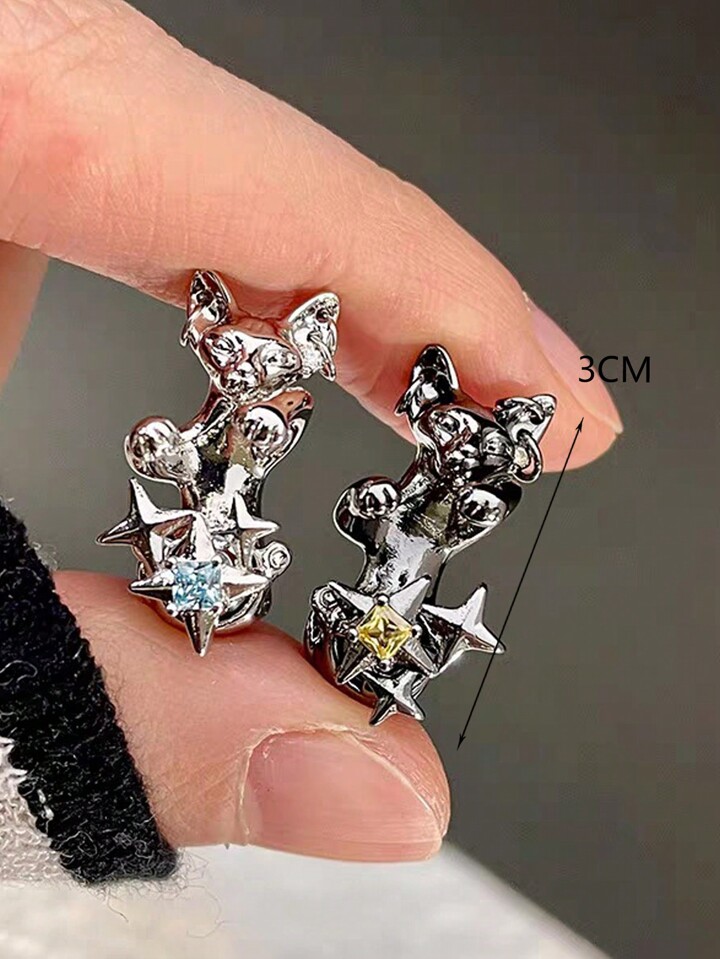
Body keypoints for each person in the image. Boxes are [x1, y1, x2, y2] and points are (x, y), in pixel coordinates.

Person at [0, 0, 620, 874]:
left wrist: (397, 505)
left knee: (289, 542)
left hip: (360, 614)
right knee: (228, 499)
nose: (460, 451)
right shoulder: (262, 417)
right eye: (231, 353)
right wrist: (186, 457)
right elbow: (305, 486)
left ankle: (262, 590)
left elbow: (384, 514)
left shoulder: (453, 496)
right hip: (208, 553)